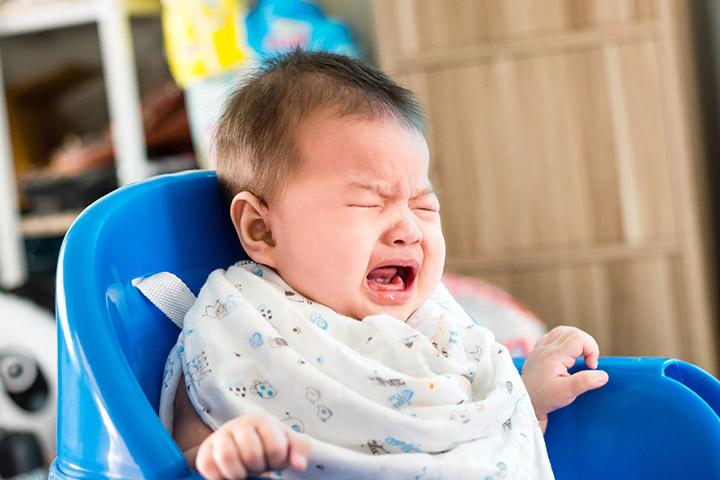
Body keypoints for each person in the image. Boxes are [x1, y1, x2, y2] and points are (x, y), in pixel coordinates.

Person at [158, 49, 608, 480]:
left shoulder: (436, 325)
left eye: (424, 207)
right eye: (368, 203)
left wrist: (526, 400)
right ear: (262, 230)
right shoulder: (236, 322)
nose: (408, 230)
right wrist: (220, 452)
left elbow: (474, 450)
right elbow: (170, 457)